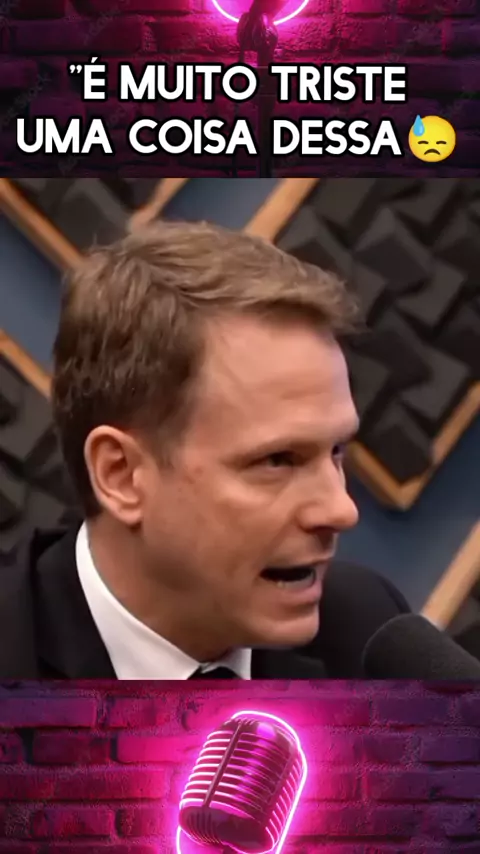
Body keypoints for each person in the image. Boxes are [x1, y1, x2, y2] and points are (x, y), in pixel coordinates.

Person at [0, 220, 410, 680]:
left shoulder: (367, 630)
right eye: (277, 461)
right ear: (121, 475)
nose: (341, 510)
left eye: (336, 451)